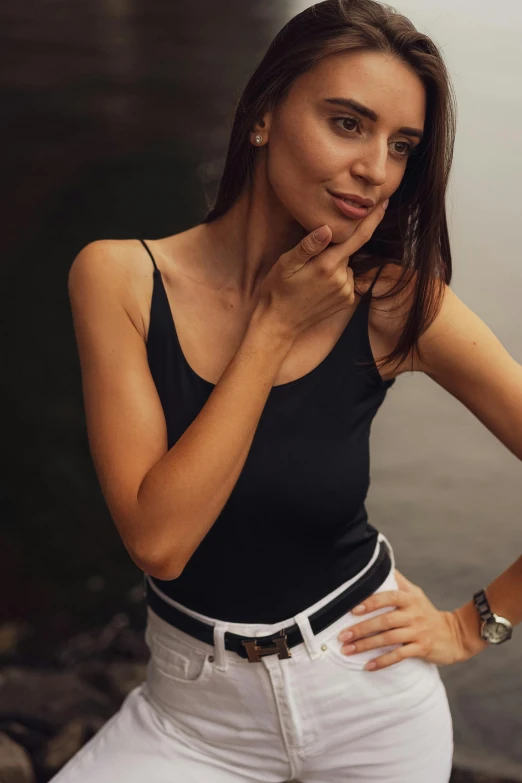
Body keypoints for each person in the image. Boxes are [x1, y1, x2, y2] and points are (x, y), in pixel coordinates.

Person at [55, 0, 521, 781]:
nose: (376, 168)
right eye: (348, 123)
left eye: (400, 145)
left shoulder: (397, 302)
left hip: (370, 701)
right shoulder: (120, 278)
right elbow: (159, 540)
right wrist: (271, 328)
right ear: (264, 114)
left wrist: (476, 624)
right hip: (191, 718)